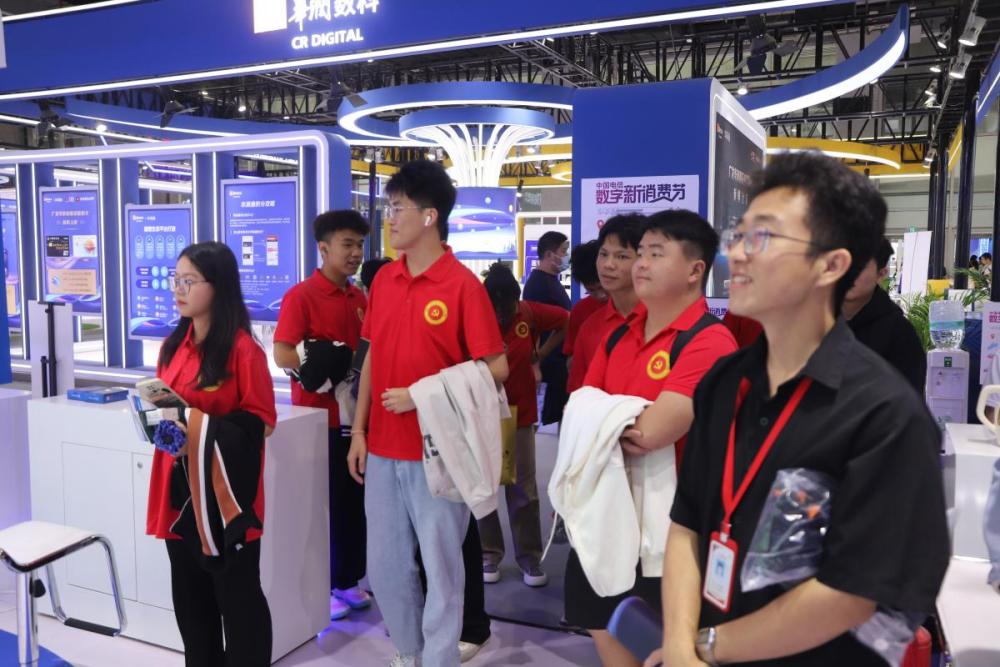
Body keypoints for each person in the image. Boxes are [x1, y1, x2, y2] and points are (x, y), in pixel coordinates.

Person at [656, 153, 950, 667]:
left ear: (831, 265)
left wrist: (706, 647)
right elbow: (687, 523)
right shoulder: (724, 383)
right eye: (739, 236)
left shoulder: (885, 414)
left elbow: (849, 594)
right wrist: (679, 645)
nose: (737, 254)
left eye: (762, 237)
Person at [347, 160, 509, 667]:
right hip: (382, 447)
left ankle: (438, 659)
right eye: (388, 207)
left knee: (441, 568)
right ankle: (409, 653)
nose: (388, 218)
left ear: (430, 215)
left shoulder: (462, 286)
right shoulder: (385, 281)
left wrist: (423, 394)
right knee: (385, 566)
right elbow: (372, 356)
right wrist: (359, 430)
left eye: (397, 208)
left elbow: (496, 367)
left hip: (438, 449)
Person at [567, 211, 737, 667]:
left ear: (695, 270)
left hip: (674, 531)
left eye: (656, 254)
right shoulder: (616, 335)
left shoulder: (710, 342)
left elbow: (650, 432)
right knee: (605, 621)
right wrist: (608, 421)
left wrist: (606, 421)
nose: (640, 264)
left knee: (666, 644)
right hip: (607, 512)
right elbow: (579, 412)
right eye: (640, 252)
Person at [148, 241, 276, 667]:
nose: (178, 289)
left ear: (218, 286)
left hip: (224, 503)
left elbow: (262, 423)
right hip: (177, 494)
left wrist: (200, 427)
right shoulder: (173, 346)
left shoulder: (242, 350)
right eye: (176, 280)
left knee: (239, 606)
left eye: (189, 281)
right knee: (192, 608)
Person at [273, 210, 371, 620]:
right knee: (319, 506)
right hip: (316, 421)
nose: (355, 253)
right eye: (347, 244)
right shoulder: (302, 296)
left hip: (356, 421)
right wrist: (313, 365)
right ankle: (322, 585)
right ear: (324, 248)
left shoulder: (359, 298)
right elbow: (281, 353)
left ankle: (346, 580)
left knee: (352, 504)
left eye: (360, 245)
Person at [479, 262, 568, 587]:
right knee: (485, 487)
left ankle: (529, 558)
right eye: (495, 308)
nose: (501, 314)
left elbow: (566, 321)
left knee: (523, 490)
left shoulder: (528, 313)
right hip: (483, 414)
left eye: (506, 307)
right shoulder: (476, 316)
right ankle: (489, 554)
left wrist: (538, 354)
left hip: (520, 413)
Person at [568, 215, 645, 394]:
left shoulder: (667, 321)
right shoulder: (590, 327)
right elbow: (578, 394)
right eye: (603, 254)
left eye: (621, 256)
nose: (608, 265)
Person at [842, 237, 926, 394]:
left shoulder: (899, 333)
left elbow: (908, 399)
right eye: (843, 263)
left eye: (859, 267)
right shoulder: (813, 323)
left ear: (881, 274)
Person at [523, 230, 571, 424]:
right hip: (548, 366)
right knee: (550, 423)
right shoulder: (537, 285)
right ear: (550, 254)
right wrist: (536, 363)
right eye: (563, 251)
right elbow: (532, 328)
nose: (566, 256)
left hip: (558, 363)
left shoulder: (551, 282)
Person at [564, 240, 608, 390]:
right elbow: (571, 358)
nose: (601, 295)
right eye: (592, 290)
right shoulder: (581, 311)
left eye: (602, 287)